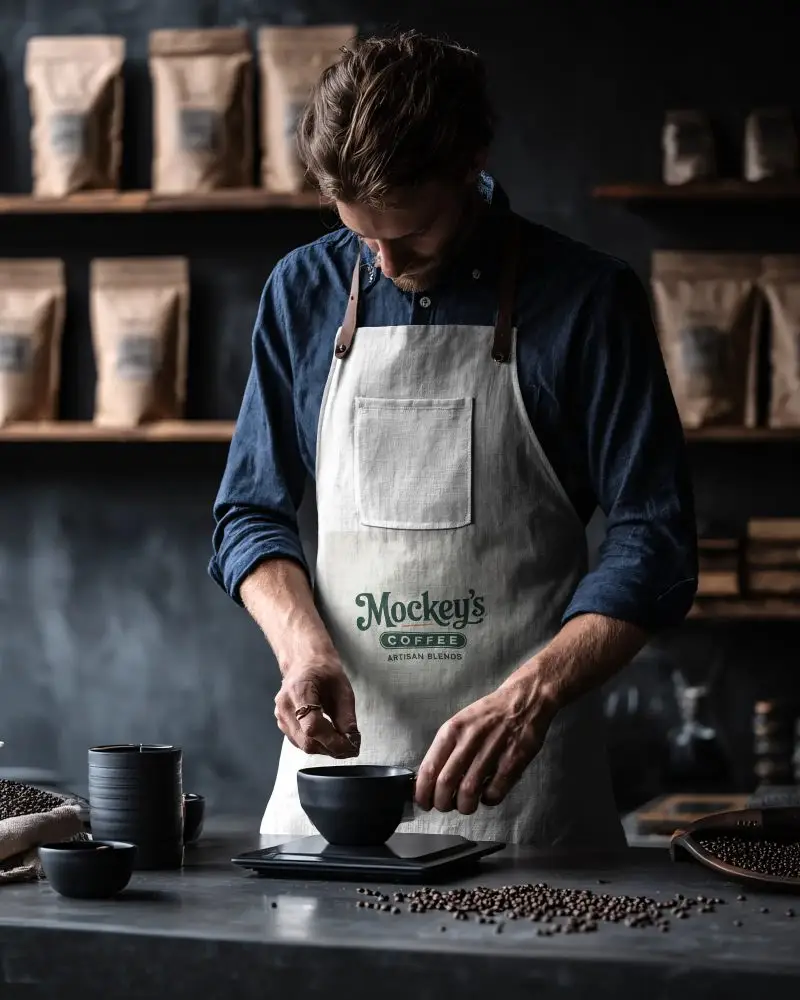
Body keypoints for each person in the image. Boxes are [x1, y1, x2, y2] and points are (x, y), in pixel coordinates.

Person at [209, 30, 697, 846]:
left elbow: (655, 540)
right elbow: (247, 515)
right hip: (334, 793)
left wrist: (531, 695)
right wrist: (302, 653)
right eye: (363, 238)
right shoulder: (302, 291)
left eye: (414, 233)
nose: (388, 262)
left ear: (473, 163)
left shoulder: (587, 301)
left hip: (525, 795)